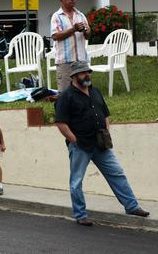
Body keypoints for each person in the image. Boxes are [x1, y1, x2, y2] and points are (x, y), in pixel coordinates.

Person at [54, 61, 150, 226]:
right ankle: (80, 214)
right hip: (80, 146)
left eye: (88, 72)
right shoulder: (66, 97)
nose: (87, 75)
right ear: (74, 76)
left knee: (117, 173)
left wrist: (106, 131)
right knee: (76, 181)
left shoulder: (95, 92)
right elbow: (61, 123)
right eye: (83, 72)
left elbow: (105, 114)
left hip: (100, 143)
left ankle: (132, 206)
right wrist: (74, 141)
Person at [51, 0, 91, 93]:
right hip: (65, 61)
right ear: (62, 1)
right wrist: (73, 29)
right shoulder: (56, 17)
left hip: (81, 60)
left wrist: (86, 31)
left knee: (85, 90)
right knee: (65, 92)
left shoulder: (80, 15)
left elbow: (88, 36)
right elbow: (55, 36)